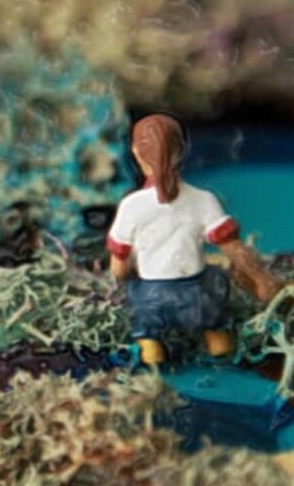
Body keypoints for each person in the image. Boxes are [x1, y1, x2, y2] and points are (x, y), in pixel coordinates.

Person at [107, 114, 283, 366]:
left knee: (137, 296)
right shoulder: (204, 199)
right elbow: (235, 251)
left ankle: (152, 348)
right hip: (197, 297)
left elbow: (119, 268)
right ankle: (217, 340)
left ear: (135, 152)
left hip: (152, 299)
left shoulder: (131, 206)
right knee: (215, 280)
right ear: (183, 150)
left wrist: (126, 275)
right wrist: (261, 280)